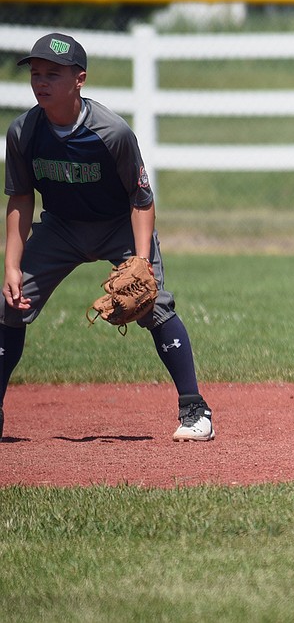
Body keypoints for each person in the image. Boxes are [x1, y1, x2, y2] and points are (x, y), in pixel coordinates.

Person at [1, 32, 214, 442]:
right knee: (9, 305)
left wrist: (141, 261)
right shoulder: (23, 132)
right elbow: (21, 199)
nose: (41, 82)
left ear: (79, 79)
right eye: (36, 73)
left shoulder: (111, 131)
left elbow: (141, 198)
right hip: (61, 227)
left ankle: (194, 410)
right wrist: (11, 265)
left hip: (118, 223)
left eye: (53, 74)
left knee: (154, 304)